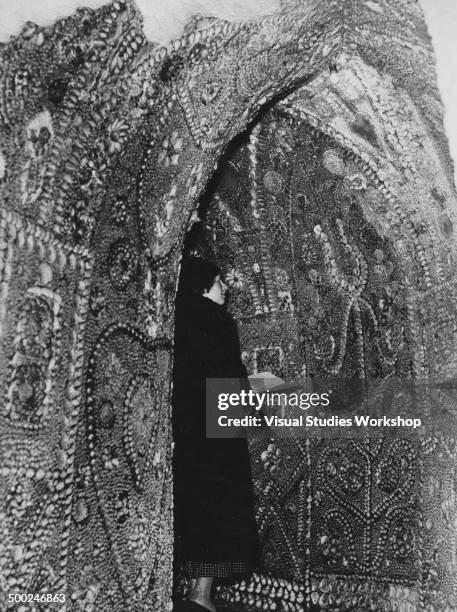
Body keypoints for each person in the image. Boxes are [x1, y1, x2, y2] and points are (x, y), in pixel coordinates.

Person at [172, 256, 259, 612]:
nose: (225, 288)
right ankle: (201, 595)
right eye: (219, 282)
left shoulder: (181, 320)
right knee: (218, 511)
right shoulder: (216, 323)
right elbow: (229, 378)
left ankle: (195, 588)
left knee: (196, 508)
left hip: (190, 433)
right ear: (204, 288)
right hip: (217, 436)